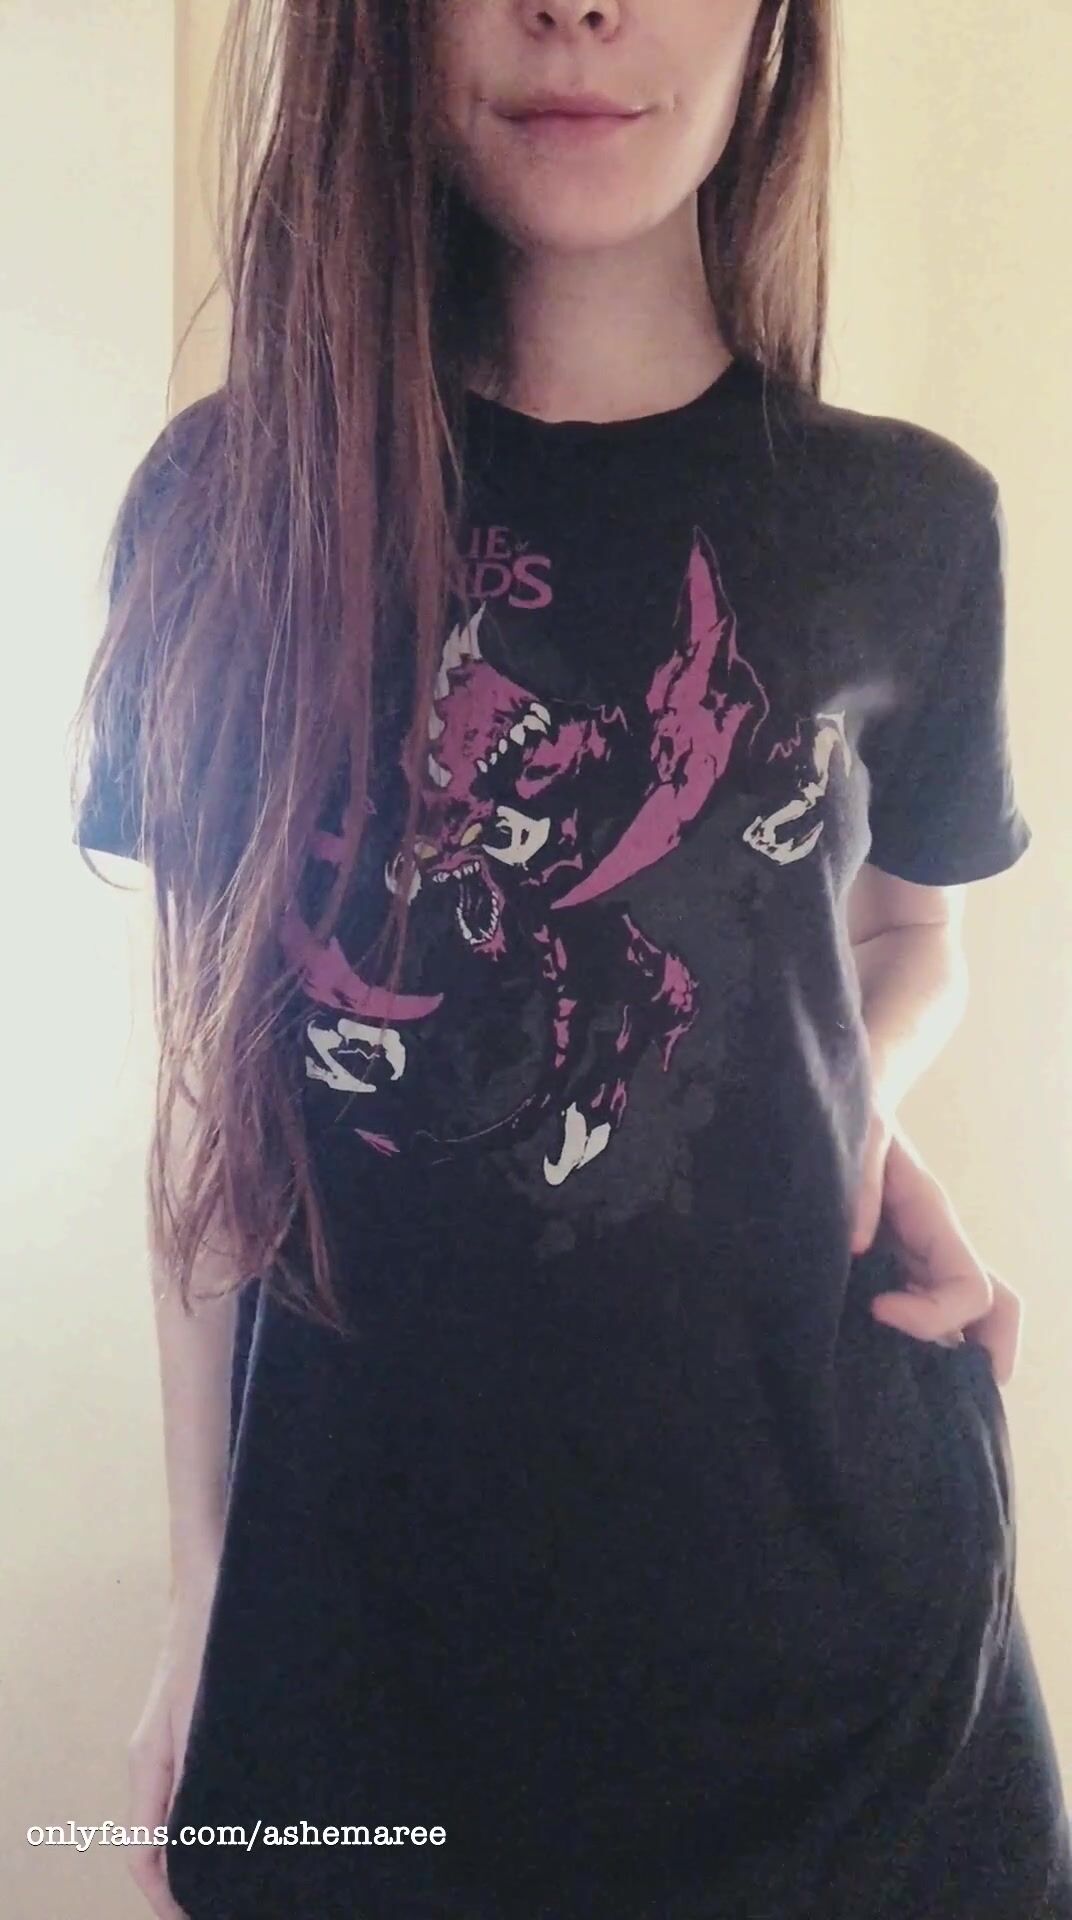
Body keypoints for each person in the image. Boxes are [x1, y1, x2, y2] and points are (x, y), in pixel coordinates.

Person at [70, 1, 1071, 1916]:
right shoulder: (225, 507)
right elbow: (214, 1105)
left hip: (846, 1687)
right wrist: (205, 1598)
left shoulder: (911, 523)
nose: (578, 8)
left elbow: (910, 934)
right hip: (371, 1660)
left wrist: (853, 1118)